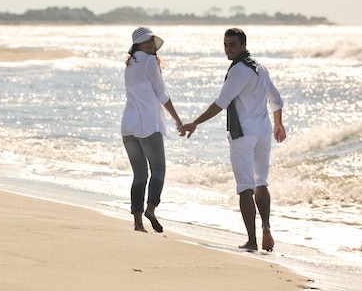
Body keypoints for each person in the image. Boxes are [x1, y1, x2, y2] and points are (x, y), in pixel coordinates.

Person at [181, 28, 286, 251]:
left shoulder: (239, 70)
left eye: (233, 45)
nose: (228, 49)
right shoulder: (260, 68)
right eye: (226, 45)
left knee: (245, 187)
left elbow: (221, 102)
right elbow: (276, 100)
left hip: (243, 135)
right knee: (262, 182)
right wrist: (278, 124)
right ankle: (266, 228)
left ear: (243, 45)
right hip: (263, 133)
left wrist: (196, 122)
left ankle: (252, 240)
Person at [121, 27, 183, 233]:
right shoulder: (148, 61)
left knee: (139, 175)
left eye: (152, 41)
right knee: (158, 170)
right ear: (137, 44)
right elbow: (162, 94)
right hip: (148, 125)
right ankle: (151, 209)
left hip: (129, 126)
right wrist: (178, 120)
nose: (150, 44)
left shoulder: (130, 63)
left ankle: (138, 224)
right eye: (146, 41)